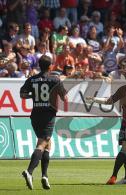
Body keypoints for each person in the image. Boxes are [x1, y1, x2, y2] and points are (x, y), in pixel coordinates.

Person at [20, 55, 67, 190]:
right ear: (51, 66)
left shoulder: (32, 79)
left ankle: (44, 176)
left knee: (47, 144)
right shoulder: (55, 79)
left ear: (39, 65)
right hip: (48, 115)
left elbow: (22, 94)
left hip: (35, 115)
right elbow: (65, 98)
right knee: (42, 143)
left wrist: (33, 95)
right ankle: (29, 172)